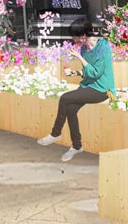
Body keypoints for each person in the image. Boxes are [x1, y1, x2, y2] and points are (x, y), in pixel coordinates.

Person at [38, 20, 115, 162]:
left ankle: (55, 133)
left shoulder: (103, 47)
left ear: (84, 35)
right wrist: (76, 73)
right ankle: (77, 146)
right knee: (71, 110)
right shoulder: (85, 49)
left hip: (102, 89)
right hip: (88, 86)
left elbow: (96, 73)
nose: (74, 40)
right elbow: (88, 71)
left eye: (75, 36)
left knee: (65, 98)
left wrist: (79, 57)